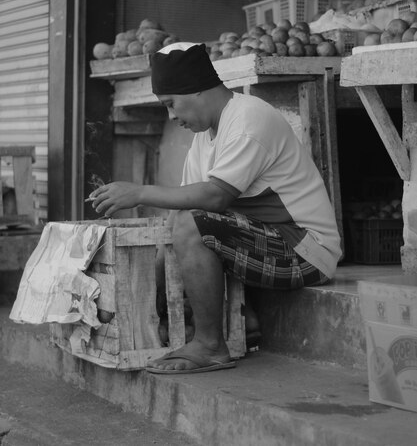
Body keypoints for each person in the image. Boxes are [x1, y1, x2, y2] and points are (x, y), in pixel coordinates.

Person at [90, 42, 342, 374]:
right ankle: (244, 320)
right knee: (185, 221)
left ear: (195, 90)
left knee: (195, 224)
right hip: (274, 241)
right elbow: (180, 215)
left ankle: (210, 346)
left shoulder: (249, 118)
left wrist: (138, 193)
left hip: (308, 250)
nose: (172, 116)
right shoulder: (204, 137)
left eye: (171, 104)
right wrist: (159, 303)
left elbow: (214, 198)